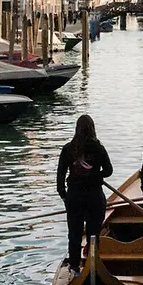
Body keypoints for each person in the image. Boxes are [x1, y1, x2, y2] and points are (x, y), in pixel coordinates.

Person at [57, 115, 114, 271]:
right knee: (93, 233)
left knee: (74, 233)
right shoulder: (98, 148)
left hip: (74, 195)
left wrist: (63, 195)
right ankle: (93, 264)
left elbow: (61, 174)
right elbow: (109, 171)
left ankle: (74, 266)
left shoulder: (68, 148)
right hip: (94, 194)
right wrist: (97, 175)